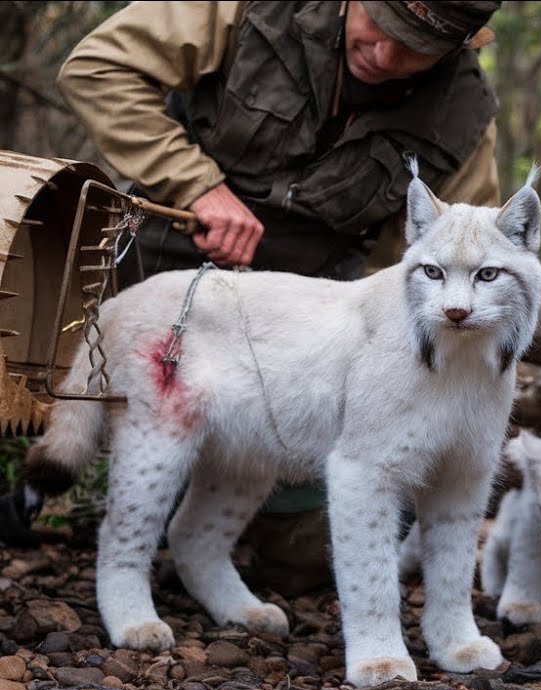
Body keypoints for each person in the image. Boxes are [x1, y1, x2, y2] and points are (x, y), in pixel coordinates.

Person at [49, 0, 505, 593]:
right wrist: (198, 185)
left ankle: (216, 544)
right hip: (175, 284)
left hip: (301, 337)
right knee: (119, 487)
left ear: (463, 45)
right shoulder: (253, 8)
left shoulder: (463, 114)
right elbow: (95, 68)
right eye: (382, 26)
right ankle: (90, 515)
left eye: (417, 45)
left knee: (317, 552)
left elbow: (433, 267)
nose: (386, 53)